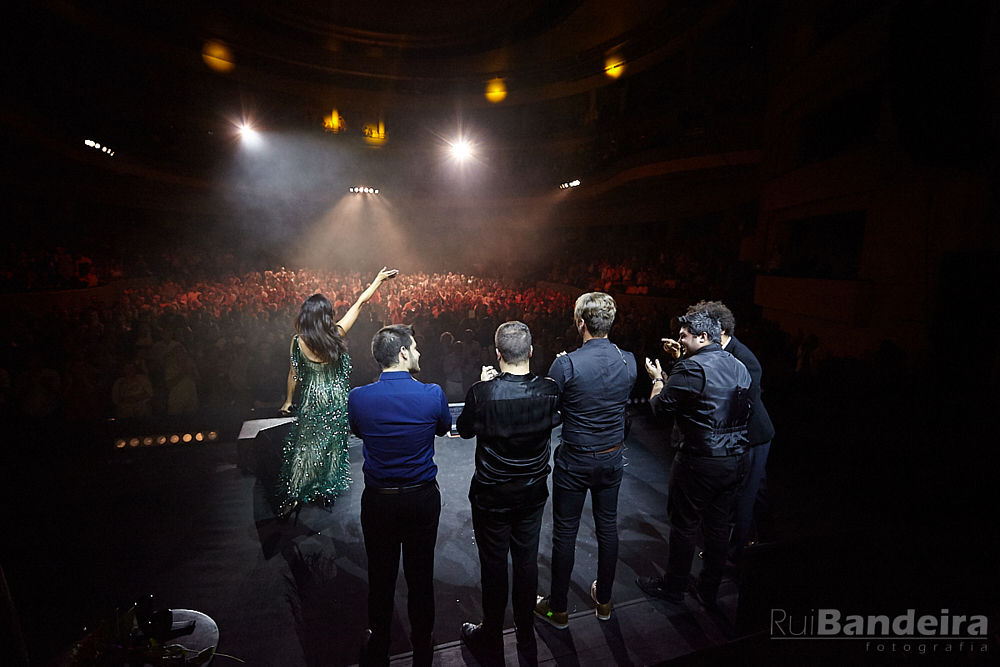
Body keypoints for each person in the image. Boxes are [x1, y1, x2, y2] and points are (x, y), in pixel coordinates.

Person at [348, 324, 451, 667]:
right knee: (421, 575)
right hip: (421, 499)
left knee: (381, 576)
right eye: (416, 347)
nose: (419, 353)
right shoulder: (433, 393)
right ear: (404, 352)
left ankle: (379, 645)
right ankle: (422, 644)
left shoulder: (359, 398)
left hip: (379, 501)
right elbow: (442, 427)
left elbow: (359, 430)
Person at [456, 322, 561, 659]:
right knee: (527, 562)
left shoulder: (481, 392)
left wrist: (484, 387)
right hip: (532, 493)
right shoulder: (550, 389)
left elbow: (465, 430)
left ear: (497, 354)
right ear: (530, 352)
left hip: (491, 495)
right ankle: (526, 636)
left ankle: (491, 636)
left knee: (494, 565)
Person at [637, 310, 752, 608]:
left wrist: (657, 381)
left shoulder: (690, 370)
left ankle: (674, 586)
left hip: (700, 461)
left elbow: (660, 409)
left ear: (703, 336)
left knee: (685, 525)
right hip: (736, 460)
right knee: (717, 528)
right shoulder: (739, 365)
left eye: (683, 336)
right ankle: (709, 588)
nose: (679, 341)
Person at [535, 292, 637, 628]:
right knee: (607, 528)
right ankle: (604, 602)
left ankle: (558, 608)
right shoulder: (630, 360)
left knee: (565, 532)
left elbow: (550, 410)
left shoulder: (565, 364)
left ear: (581, 323)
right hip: (611, 458)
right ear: (610, 322)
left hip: (575, 461)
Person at [276, 267, 397, 519]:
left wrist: (288, 400)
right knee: (333, 446)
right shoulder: (337, 334)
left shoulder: (298, 341)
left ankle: (295, 494)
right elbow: (360, 304)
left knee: (306, 447)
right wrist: (377, 280)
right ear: (326, 316)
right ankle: (325, 492)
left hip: (312, 400)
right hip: (337, 400)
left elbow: (294, 374)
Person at [685, 301, 775, 565]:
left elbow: (742, 405)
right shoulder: (717, 351)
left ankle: (735, 556)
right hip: (741, 435)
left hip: (752, 436)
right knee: (757, 493)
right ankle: (767, 542)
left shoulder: (743, 358)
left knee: (743, 499)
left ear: (721, 328)